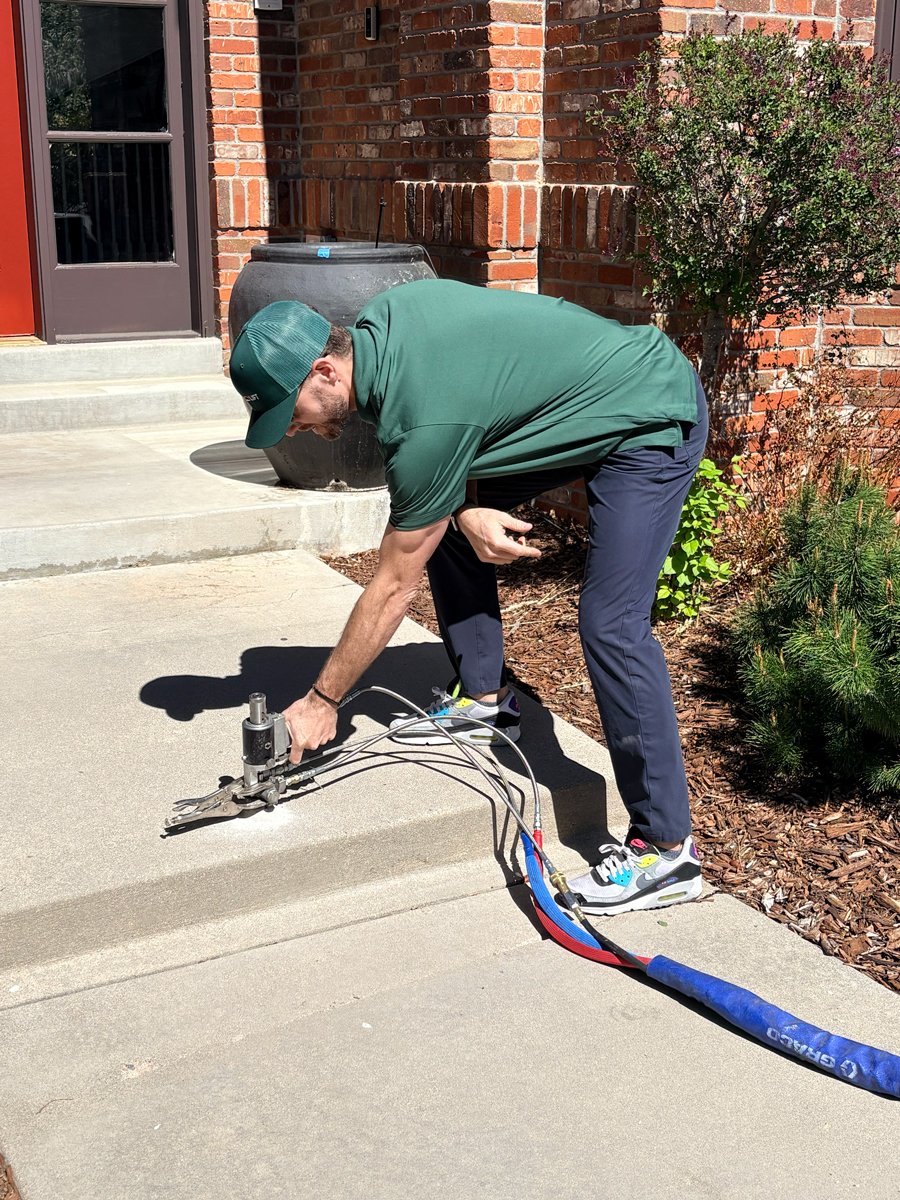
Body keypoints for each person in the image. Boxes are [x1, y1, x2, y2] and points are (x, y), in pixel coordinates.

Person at [229, 279, 707, 915]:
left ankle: (667, 851)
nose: (296, 430)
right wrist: (465, 510)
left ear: (325, 371)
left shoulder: (423, 420)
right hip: (576, 404)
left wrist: (322, 702)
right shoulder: (383, 322)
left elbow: (394, 586)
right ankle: (485, 696)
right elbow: (466, 424)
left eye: (292, 411)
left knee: (611, 623)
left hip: (649, 414)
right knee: (445, 520)